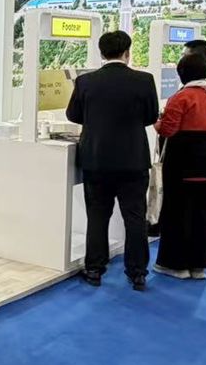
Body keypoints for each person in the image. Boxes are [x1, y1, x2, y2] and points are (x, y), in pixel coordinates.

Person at [66, 30, 159, 291]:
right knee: (135, 217)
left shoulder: (85, 81)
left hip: (96, 160)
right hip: (133, 161)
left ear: (101, 53)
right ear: (127, 52)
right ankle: (137, 273)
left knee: (97, 216)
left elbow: (73, 115)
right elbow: (151, 116)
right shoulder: (144, 80)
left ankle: (94, 269)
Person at [152, 53, 206, 281]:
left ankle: (175, 265)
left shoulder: (181, 97)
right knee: (204, 211)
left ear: (182, 74)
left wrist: (157, 123)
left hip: (183, 160)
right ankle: (199, 265)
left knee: (177, 210)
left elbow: (168, 129)